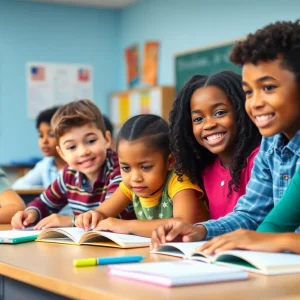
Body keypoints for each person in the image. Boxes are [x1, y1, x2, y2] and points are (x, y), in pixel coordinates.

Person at [151, 20, 300, 250]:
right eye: (248, 92)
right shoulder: (271, 146)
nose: (255, 103)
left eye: (268, 87)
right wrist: (201, 230)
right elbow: (254, 216)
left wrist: (268, 240)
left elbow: (269, 232)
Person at [75, 114, 209, 237]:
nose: (135, 178)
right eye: (126, 168)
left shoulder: (179, 182)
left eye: (145, 167)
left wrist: (127, 226)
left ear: (170, 162)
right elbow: (102, 213)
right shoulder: (131, 186)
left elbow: (182, 225)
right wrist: (91, 216)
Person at [11, 99, 134, 229]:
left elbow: (109, 217)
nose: (83, 152)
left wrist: (71, 221)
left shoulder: (120, 169)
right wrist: (30, 213)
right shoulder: (68, 173)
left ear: (107, 139)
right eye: (71, 147)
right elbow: (45, 203)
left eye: (91, 141)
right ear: (62, 153)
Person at [169, 71, 260, 220]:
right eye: (198, 119)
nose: (209, 125)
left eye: (219, 113)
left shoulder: (259, 161)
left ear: (241, 111)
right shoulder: (205, 172)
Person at [13, 106, 65, 189]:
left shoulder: (76, 165)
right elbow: (18, 186)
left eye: (51, 135)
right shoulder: (46, 164)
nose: (44, 141)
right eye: (41, 135)